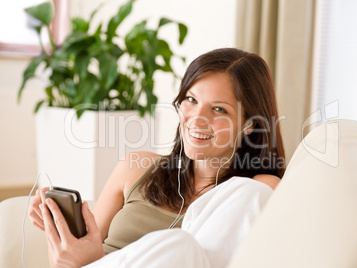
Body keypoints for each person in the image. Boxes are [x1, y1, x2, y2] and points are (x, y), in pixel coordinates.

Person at [28, 47, 286, 267]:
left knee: (181, 246)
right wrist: (61, 231)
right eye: (191, 100)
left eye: (219, 109)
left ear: (250, 124)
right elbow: (70, 257)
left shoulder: (256, 189)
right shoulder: (135, 167)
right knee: (181, 245)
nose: (197, 119)